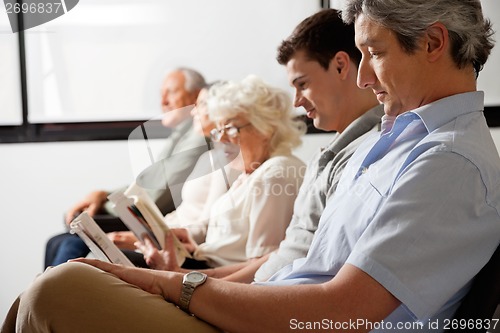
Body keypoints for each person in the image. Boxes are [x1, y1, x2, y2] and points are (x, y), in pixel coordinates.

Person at [3, 1, 500, 332]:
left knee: (59, 288)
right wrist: (186, 285)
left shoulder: (449, 162)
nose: (364, 76)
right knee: (50, 290)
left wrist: (177, 285)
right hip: (264, 308)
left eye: (374, 53)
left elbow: (339, 312)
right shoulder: (394, 143)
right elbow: (298, 260)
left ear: (434, 43)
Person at [135, 75, 306, 273]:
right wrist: (190, 243)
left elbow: (262, 270)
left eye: (232, 128)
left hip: (216, 279)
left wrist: (178, 275)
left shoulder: (275, 174)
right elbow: (228, 246)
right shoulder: (249, 173)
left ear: (265, 128)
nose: (222, 138)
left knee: (113, 267)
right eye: (220, 129)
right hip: (205, 265)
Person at [44, 67, 207, 268]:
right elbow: (145, 185)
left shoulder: (198, 137)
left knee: (68, 242)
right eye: (161, 94)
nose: (163, 101)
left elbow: (154, 196)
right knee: (55, 242)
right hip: (159, 224)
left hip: (159, 227)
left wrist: (103, 205)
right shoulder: (180, 135)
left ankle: (49, 297)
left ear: (197, 95)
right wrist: (103, 194)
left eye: (171, 92)